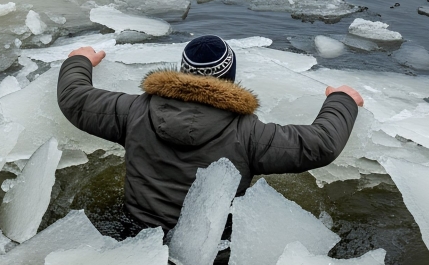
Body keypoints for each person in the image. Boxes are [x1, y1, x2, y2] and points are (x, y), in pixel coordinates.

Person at [57, 34, 363, 241]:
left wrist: (78, 60)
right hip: (210, 250)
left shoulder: (133, 111)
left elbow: (75, 98)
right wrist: (342, 100)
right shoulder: (249, 134)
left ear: (182, 71)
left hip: (135, 233)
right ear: (229, 77)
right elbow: (321, 144)